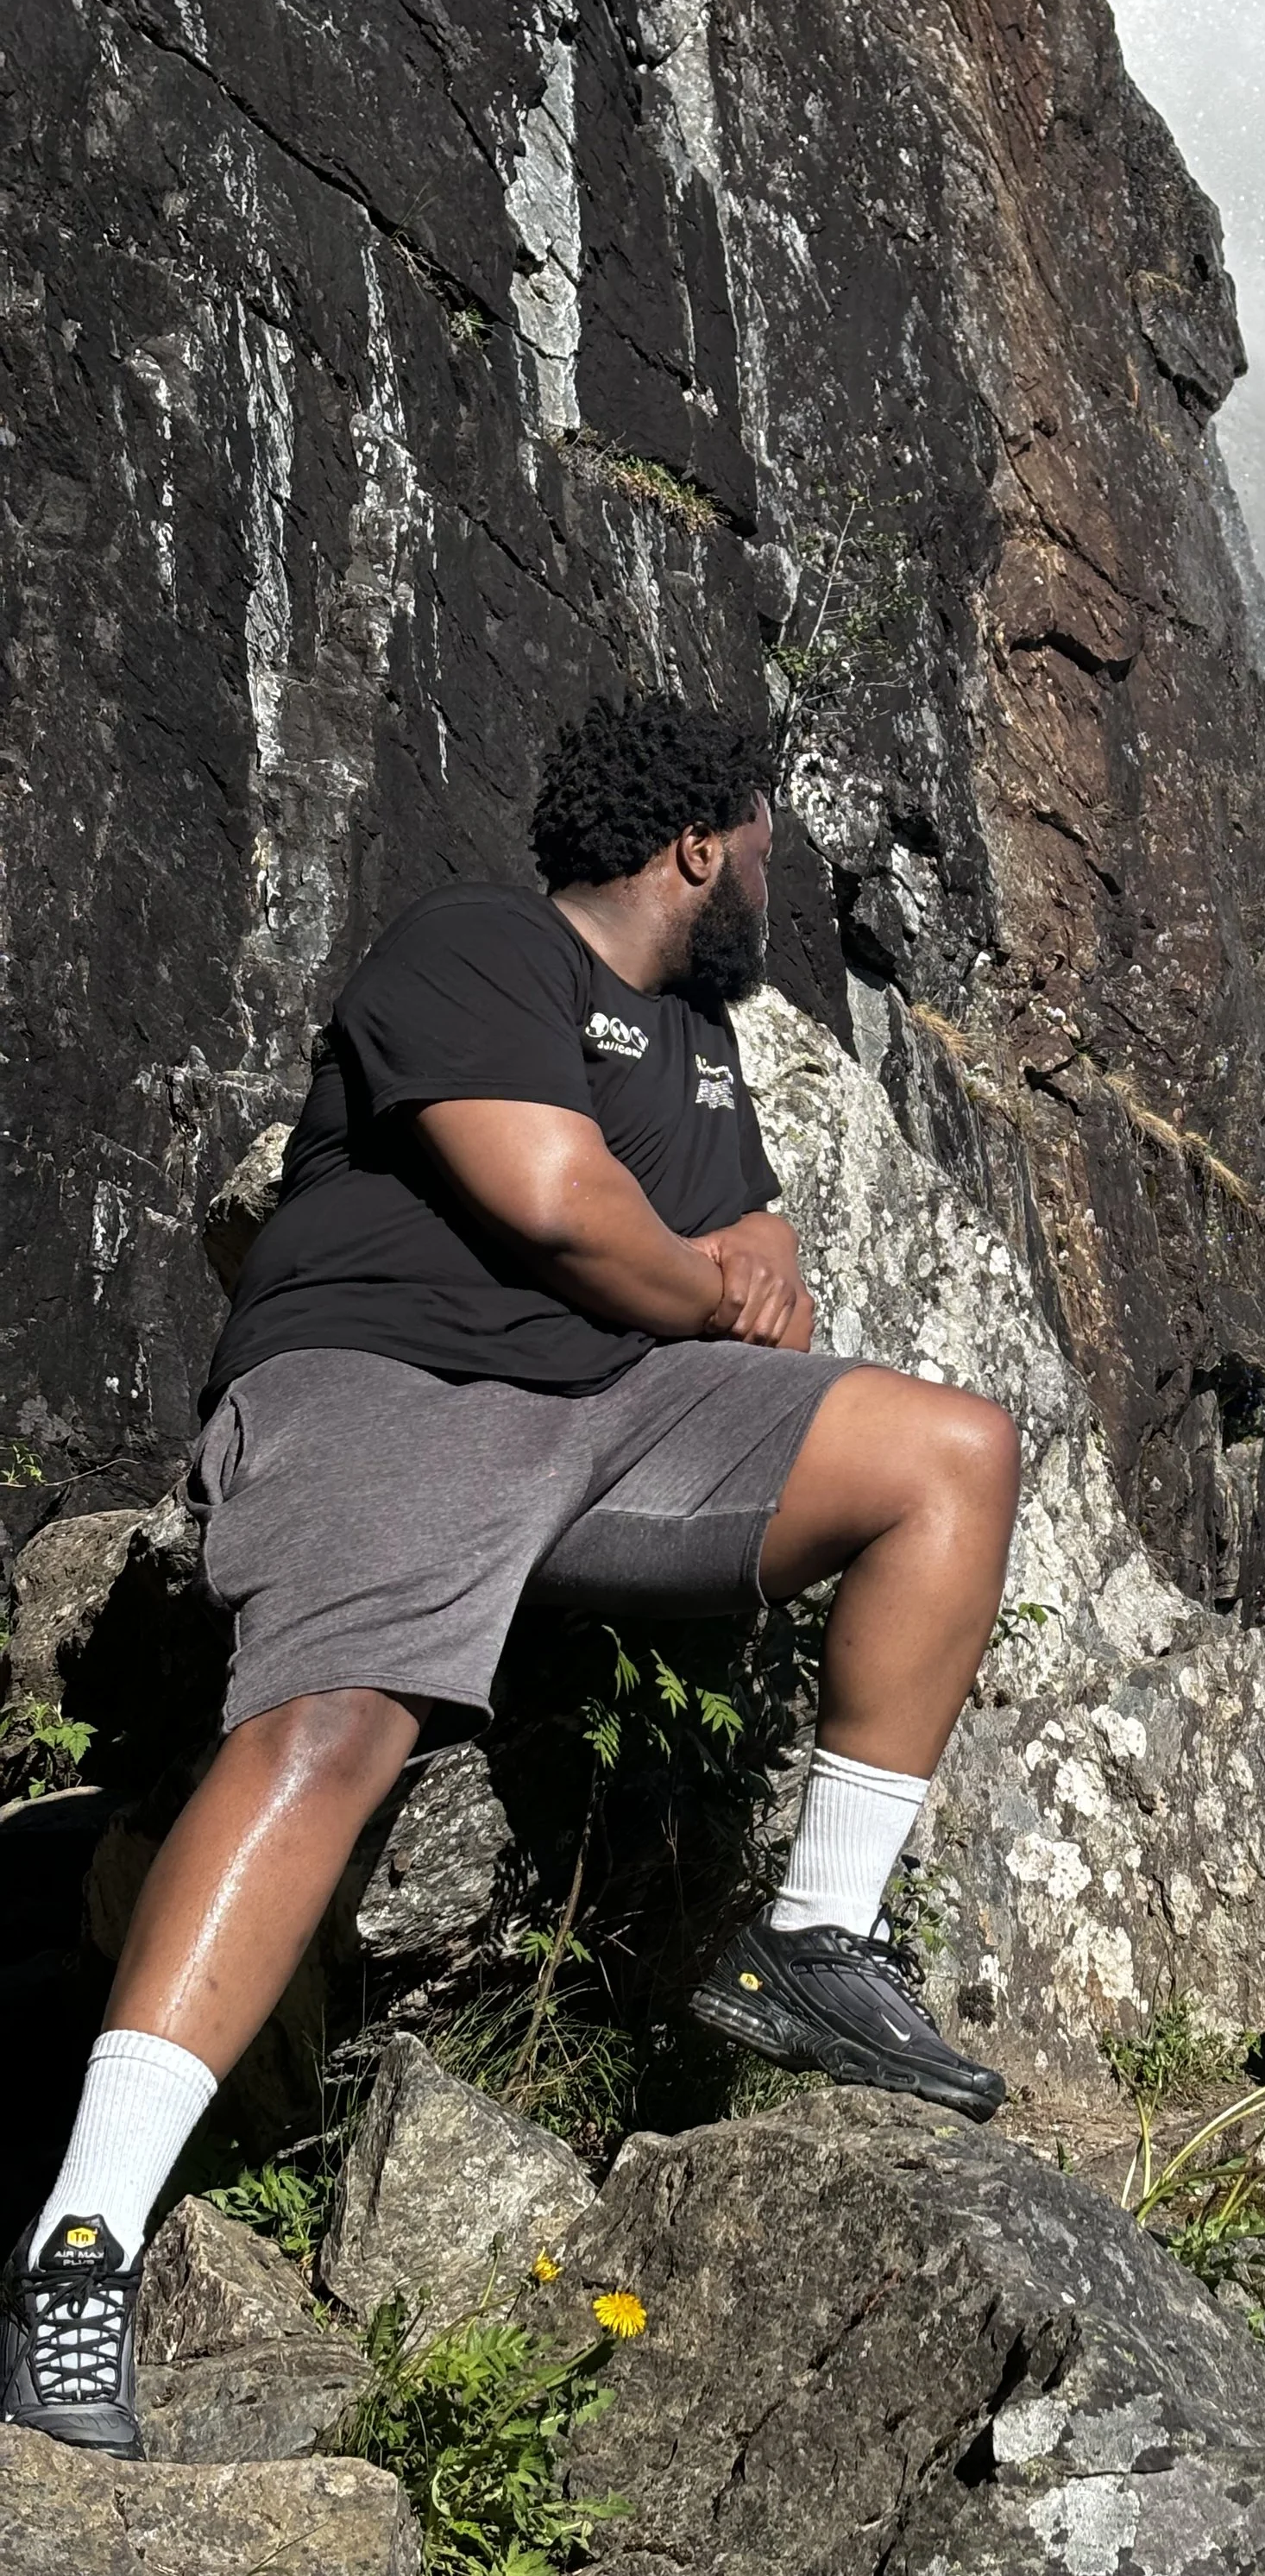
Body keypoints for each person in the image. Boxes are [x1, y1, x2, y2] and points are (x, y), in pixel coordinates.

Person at [1, 695, 1019, 2460]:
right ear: (698, 842)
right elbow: (554, 1198)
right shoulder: (475, 945)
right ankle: (79, 2247)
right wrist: (700, 1281)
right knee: (334, 1723)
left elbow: (750, 1241)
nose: (767, 880)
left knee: (951, 1451)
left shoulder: (693, 1040)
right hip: (392, 1384)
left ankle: (814, 1940)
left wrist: (725, 1268)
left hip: (609, 1408)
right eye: (761, 844)